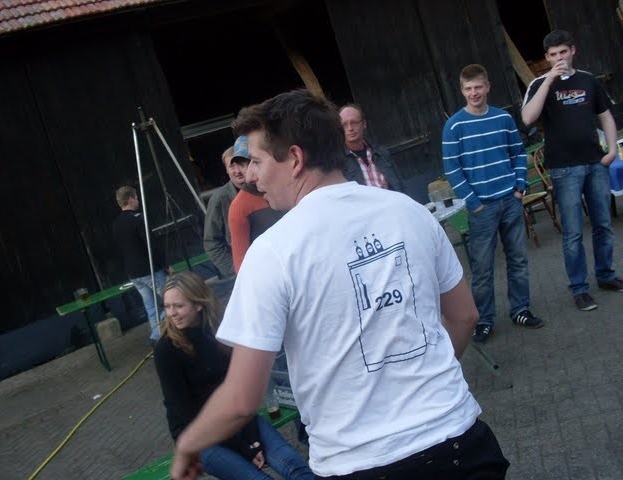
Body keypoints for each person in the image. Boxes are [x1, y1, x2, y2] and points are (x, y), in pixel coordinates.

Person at [170, 90, 509, 480]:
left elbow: (242, 399)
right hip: (461, 442)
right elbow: (464, 317)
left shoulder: (272, 252)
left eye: (258, 162)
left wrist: (188, 443)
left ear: (295, 158)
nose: (252, 176)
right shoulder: (409, 211)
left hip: (359, 463)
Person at [154, 270, 313, 480]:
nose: (171, 313)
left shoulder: (219, 332)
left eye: (178, 306)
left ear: (198, 304)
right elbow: (186, 412)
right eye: (167, 306)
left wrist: (252, 438)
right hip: (199, 435)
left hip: (237, 418)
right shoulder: (166, 350)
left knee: (294, 466)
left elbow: (240, 389)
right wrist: (245, 448)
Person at [442, 64, 544, 344]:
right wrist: (473, 203)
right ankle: (484, 320)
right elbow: (453, 169)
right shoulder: (454, 126)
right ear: (462, 91)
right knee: (482, 269)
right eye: (468, 88)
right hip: (482, 209)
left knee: (518, 260)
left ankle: (521, 310)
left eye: (478, 87)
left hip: (510, 201)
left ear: (487, 87)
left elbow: (518, 153)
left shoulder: (503, 118)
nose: (473, 93)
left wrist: (520, 187)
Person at [521, 30, 622, 311]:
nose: (559, 58)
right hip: (564, 168)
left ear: (573, 51)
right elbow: (528, 118)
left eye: (563, 52)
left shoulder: (588, 80)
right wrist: (549, 79)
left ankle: (606, 275)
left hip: (595, 162)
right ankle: (579, 289)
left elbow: (606, 116)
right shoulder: (539, 84)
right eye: (553, 55)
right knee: (573, 232)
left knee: (603, 224)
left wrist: (612, 150)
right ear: (546, 57)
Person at [112, 186, 172, 346]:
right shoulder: (138, 218)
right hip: (149, 269)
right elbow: (152, 245)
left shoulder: (116, 224)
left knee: (151, 306)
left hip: (133, 273)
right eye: (136, 197)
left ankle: (157, 336)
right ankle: (173, 333)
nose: (138, 200)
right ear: (130, 199)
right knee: (170, 299)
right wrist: (165, 264)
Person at [228, 135, 285, 273]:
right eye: (243, 164)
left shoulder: (287, 188)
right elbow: (242, 266)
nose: (247, 171)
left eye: (254, 162)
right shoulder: (239, 207)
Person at [203, 142, 249, 278]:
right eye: (232, 166)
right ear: (226, 170)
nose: (237, 171)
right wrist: (235, 271)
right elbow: (211, 243)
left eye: (241, 164)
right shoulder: (219, 199)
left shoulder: (263, 188)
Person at [339, 104, 405, 192]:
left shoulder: (381, 153)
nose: (350, 128)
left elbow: (400, 185)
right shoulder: (339, 162)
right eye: (344, 125)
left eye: (354, 122)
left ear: (364, 124)